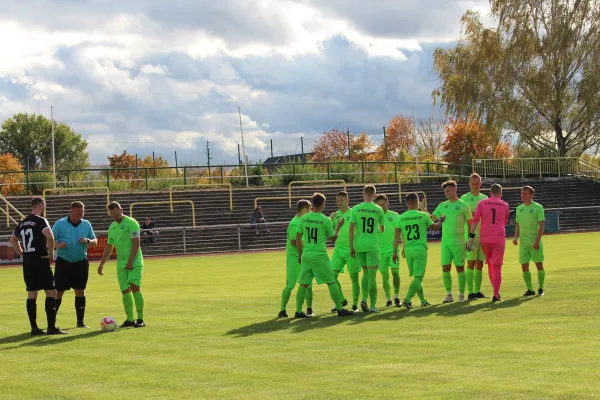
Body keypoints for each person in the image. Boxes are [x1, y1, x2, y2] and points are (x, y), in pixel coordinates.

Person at [9, 197, 67, 335]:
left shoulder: (22, 222)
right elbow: (50, 237)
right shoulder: (41, 220)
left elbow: (13, 239)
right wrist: (52, 254)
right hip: (40, 259)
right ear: (41, 206)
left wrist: (22, 254)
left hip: (28, 261)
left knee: (32, 294)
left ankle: (34, 328)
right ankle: (51, 327)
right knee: (51, 292)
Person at [294, 193, 354, 318]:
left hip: (306, 254)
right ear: (322, 204)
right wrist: (338, 227)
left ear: (312, 203)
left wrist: (300, 254)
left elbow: (298, 237)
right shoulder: (325, 219)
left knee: (303, 284)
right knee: (331, 282)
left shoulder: (304, 219)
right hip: (319, 255)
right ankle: (340, 309)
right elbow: (333, 239)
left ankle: (298, 311)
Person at [97, 201, 146, 328]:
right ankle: (129, 319)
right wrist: (102, 264)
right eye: (113, 216)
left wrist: (130, 261)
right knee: (124, 290)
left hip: (134, 261)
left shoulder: (131, 223)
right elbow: (109, 246)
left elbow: (136, 243)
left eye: (117, 215)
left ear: (121, 210)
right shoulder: (112, 227)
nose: (115, 218)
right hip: (121, 263)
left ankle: (140, 319)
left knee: (135, 287)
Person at [393, 193, 444, 309]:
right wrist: (441, 220)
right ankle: (407, 299)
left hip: (407, 250)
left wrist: (395, 252)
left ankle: (423, 300)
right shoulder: (422, 216)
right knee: (418, 277)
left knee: (416, 276)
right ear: (417, 202)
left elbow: (396, 237)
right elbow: (435, 227)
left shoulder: (400, 217)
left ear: (406, 203)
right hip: (420, 249)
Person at [53, 201, 98, 328]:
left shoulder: (86, 224)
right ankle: (52, 321)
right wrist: (58, 245)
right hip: (64, 262)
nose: (81, 215)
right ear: (71, 211)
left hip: (81, 262)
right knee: (59, 291)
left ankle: (80, 322)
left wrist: (88, 241)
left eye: (83, 212)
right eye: (79, 212)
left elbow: (94, 241)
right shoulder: (59, 224)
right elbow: (49, 242)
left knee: (80, 290)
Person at [428, 180, 473, 303]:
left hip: (459, 242)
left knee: (460, 268)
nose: (446, 193)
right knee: (445, 268)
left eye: (448, 190)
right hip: (445, 243)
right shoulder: (442, 205)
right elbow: (431, 219)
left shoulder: (463, 205)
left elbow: (470, 224)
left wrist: (470, 239)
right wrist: (423, 209)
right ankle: (449, 294)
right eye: (445, 191)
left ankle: (462, 295)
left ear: (455, 189)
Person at [468, 184, 509, 303]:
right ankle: (496, 294)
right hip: (498, 237)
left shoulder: (482, 203)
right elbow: (505, 221)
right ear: (500, 193)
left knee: (490, 264)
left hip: (485, 238)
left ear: (490, 192)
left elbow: (475, 220)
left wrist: (471, 236)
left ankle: (496, 291)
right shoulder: (505, 205)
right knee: (497, 266)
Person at [349, 185, 385, 313]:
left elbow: (351, 228)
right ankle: (373, 306)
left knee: (364, 273)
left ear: (363, 194)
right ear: (374, 195)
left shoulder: (356, 209)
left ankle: (364, 298)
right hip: (372, 245)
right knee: (372, 276)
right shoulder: (378, 209)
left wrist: (351, 246)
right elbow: (382, 229)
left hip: (359, 245)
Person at [278, 199, 314, 318]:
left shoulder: (304, 221)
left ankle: (309, 308)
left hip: (304, 256)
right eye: (309, 209)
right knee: (291, 284)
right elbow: (294, 241)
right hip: (294, 257)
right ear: (304, 210)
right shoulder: (295, 223)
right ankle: (282, 310)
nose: (311, 211)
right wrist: (308, 244)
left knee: (308, 284)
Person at [512, 186, 546, 297]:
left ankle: (541, 288)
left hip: (534, 242)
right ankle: (530, 289)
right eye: (522, 193)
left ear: (531, 195)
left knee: (539, 265)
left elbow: (541, 226)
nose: (523, 195)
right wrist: (516, 237)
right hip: (523, 243)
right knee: (524, 266)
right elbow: (518, 224)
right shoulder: (519, 208)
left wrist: (537, 241)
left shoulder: (538, 207)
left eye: (525, 193)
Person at [460, 173, 488, 300]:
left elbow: (484, 215)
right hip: (470, 236)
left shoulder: (485, 198)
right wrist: (477, 213)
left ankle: (477, 291)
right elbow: (467, 215)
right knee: (470, 263)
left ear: (480, 184)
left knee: (480, 264)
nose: (475, 186)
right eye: (473, 183)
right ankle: (470, 292)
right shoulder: (464, 198)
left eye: (477, 183)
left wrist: (475, 213)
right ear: (469, 184)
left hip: (483, 236)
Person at [329, 191, 358, 311]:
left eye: (341, 200)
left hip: (352, 250)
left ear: (347, 200)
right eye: (337, 201)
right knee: (331, 277)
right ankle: (340, 300)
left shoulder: (354, 213)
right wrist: (329, 219)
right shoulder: (335, 215)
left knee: (354, 278)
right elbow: (330, 235)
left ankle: (355, 305)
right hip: (338, 250)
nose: (339, 203)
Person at [374, 194, 401, 307]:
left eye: (383, 204)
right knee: (384, 276)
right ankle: (388, 298)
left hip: (393, 250)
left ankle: (396, 296)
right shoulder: (374, 218)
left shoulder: (395, 216)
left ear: (387, 203)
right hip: (380, 252)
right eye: (379, 205)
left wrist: (401, 247)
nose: (382, 206)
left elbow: (400, 233)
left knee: (395, 273)